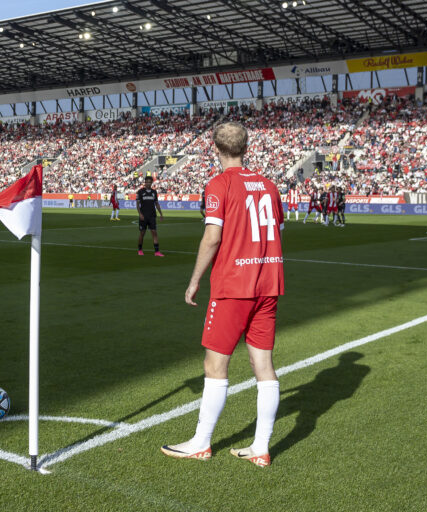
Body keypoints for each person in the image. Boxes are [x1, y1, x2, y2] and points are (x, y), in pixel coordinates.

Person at [161, 121, 285, 468]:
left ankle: (200, 443)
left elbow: (213, 236)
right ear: (247, 147)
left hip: (234, 286)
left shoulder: (218, 183)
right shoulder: (269, 185)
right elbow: (278, 229)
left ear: (215, 149)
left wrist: (194, 279)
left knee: (215, 365)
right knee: (263, 365)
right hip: (269, 283)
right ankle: (260, 447)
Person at [136, 176, 164, 256]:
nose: (148, 183)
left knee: (154, 232)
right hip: (143, 216)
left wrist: (161, 214)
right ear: (145, 182)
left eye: (149, 182)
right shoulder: (140, 192)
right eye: (147, 182)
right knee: (142, 233)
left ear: (152, 183)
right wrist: (140, 214)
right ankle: (140, 250)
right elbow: (138, 205)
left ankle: (157, 252)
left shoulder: (154, 192)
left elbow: (157, 204)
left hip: (152, 215)